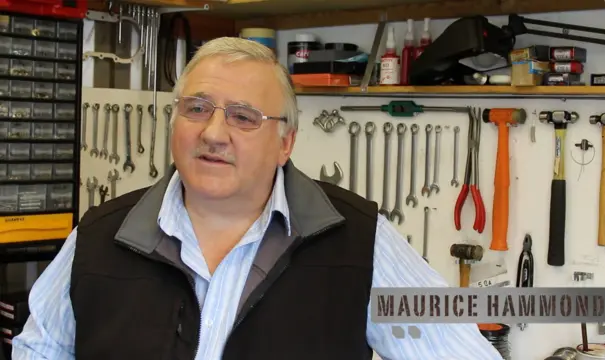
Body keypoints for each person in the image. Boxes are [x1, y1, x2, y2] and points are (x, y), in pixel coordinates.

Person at [12, 37, 502, 360]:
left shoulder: (361, 243)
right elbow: (37, 350)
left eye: (244, 117)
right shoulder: (98, 237)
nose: (214, 132)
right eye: (197, 108)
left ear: (285, 143)